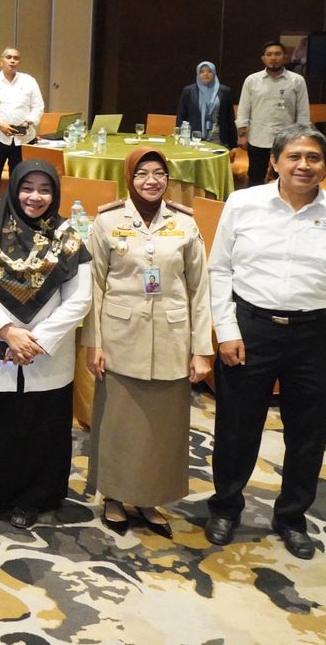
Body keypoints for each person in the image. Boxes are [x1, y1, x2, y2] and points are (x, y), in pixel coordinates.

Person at [205, 125, 326, 560]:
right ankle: (225, 507)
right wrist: (226, 331)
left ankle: (292, 516)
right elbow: (219, 271)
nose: (304, 165)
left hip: (318, 336)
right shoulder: (243, 205)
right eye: (295, 156)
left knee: (308, 433)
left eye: (314, 158)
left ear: (324, 164)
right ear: (275, 162)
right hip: (251, 330)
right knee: (236, 427)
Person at [0, 160, 92, 529]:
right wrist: (8, 331)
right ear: (13, 188)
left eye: (44, 189)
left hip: (45, 351)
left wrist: (38, 339)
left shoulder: (68, 237)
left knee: (40, 426)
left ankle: (34, 498)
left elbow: (80, 298)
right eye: (27, 187)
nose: (35, 196)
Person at [86, 149, 212, 538]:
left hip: (173, 339)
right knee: (119, 422)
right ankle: (113, 495)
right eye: (142, 173)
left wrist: (202, 348)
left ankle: (149, 498)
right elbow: (94, 286)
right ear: (129, 177)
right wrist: (94, 343)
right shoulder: (107, 221)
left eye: (160, 174)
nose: (152, 181)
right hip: (121, 337)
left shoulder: (184, 224)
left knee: (163, 427)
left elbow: (200, 288)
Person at [0, 47, 45, 210]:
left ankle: (17, 212)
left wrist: (29, 121)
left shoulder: (29, 81)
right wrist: (0, 125)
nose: (12, 61)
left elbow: (38, 107)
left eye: (16, 58)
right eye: (9, 57)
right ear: (1, 61)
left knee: (21, 178)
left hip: (23, 138)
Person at [237, 41, 310, 188]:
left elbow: (303, 113)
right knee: (255, 178)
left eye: (277, 54)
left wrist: (302, 137)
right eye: (269, 54)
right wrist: (242, 135)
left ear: (284, 57)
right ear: (263, 58)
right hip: (258, 137)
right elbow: (243, 109)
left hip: (286, 140)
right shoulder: (252, 80)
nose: (273, 58)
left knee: (285, 178)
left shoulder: (297, 81)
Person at [176, 61, 238, 145]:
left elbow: (230, 118)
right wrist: (180, 136)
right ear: (198, 74)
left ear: (214, 73)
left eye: (209, 71)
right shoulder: (189, 91)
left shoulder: (224, 91)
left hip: (218, 138)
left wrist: (233, 144)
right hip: (194, 138)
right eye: (202, 72)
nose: (205, 74)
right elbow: (181, 116)